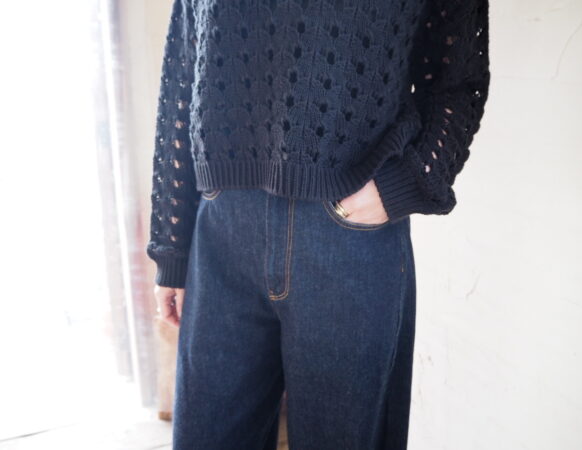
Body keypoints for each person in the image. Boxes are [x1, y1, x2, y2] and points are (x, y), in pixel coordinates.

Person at [147, 0, 490, 449]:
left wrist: (403, 185)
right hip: (221, 240)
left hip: (347, 238)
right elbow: (181, 75)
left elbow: (458, 81)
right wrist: (172, 245)